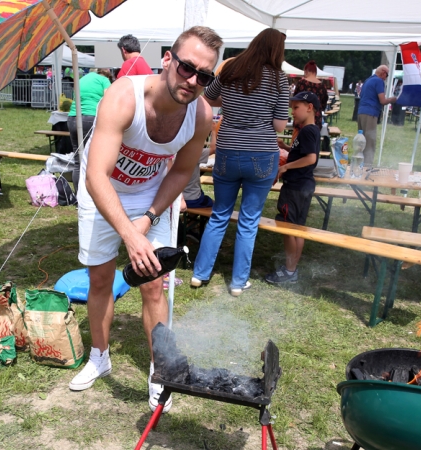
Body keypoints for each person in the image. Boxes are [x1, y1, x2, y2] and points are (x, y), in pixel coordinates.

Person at [68, 27, 223, 417]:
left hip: (150, 197)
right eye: (187, 67)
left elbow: (179, 173)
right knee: (100, 279)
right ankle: (99, 356)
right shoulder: (123, 95)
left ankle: (160, 373)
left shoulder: (201, 115)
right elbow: (96, 175)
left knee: (154, 286)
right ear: (168, 60)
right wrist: (128, 233)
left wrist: (149, 218)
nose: (193, 80)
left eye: (205, 76)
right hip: (101, 189)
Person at [191, 28, 289, 296]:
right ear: (276, 50)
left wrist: (233, 103)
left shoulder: (231, 68)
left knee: (220, 215)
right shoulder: (279, 78)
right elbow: (279, 126)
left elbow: (208, 98)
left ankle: (200, 274)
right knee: (248, 220)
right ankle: (237, 282)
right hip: (261, 154)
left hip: (227, 152)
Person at [264, 92, 320, 284]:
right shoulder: (308, 130)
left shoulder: (308, 131)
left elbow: (311, 158)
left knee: (288, 227)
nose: (292, 112)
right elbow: (303, 153)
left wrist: (285, 166)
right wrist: (287, 147)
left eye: (296, 107)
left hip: (296, 187)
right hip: (303, 186)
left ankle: (289, 271)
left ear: (309, 107)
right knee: (298, 228)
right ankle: (292, 269)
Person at [67, 68, 112, 193]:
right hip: (90, 118)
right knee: (92, 160)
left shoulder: (82, 79)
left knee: (78, 160)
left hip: (72, 118)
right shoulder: (104, 80)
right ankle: (89, 195)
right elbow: (110, 99)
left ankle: (78, 195)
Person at [357, 65, 396, 166]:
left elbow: (361, 95)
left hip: (361, 112)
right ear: (383, 73)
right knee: (370, 142)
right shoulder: (379, 81)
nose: (386, 78)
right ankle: (367, 166)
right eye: (386, 75)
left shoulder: (368, 80)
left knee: (361, 141)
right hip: (370, 113)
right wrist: (393, 99)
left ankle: (358, 164)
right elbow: (382, 100)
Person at [293, 61, 329, 129]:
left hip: (301, 120)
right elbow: (323, 106)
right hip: (316, 121)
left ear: (306, 71)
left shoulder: (301, 83)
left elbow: (295, 101)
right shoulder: (323, 86)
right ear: (315, 72)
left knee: (298, 139)